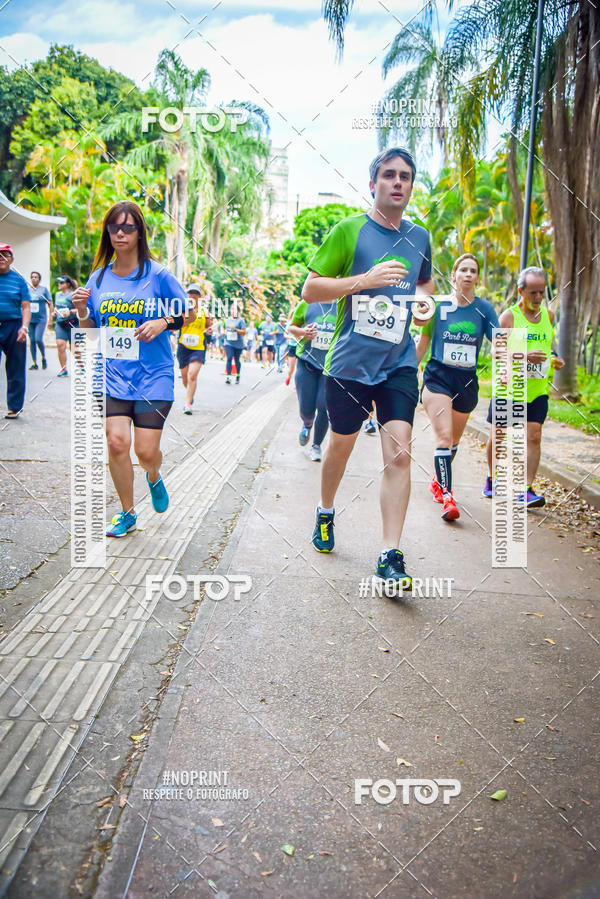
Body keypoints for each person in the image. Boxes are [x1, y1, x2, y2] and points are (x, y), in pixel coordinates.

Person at [302, 147, 434, 590]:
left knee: (399, 453)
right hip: (350, 364)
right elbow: (311, 290)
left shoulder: (421, 237)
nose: (398, 182)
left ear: (412, 187)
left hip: (397, 363)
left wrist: (422, 308)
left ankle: (389, 555)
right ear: (373, 183)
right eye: (389, 175)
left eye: (406, 177)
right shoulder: (349, 231)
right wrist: (364, 281)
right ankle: (325, 510)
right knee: (341, 445)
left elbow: (425, 288)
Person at [71, 200, 192, 538]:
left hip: (154, 375)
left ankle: (153, 475)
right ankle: (127, 512)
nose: (119, 233)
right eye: (113, 227)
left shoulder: (158, 275)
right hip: (111, 375)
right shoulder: (98, 278)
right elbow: (90, 330)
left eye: (127, 227)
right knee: (116, 443)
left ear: (140, 233)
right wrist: (82, 310)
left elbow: (191, 313)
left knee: (146, 451)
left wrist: (163, 322)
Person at [416, 253, 499, 521]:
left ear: (477, 277)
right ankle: (448, 498)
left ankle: (437, 480)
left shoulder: (484, 309)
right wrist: (402, 373)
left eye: (473, 270)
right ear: (453, 275)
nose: (468, 274)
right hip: (438, 375)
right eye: (463, 269)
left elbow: (498, 341)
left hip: (467, 380)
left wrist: (517, 356)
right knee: (443, 437)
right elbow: (423, 343)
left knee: (453, 441)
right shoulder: (437, 307)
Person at [483, 266, 564, 508]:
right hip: (509, 389)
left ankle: (526, 489)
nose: (538, 298)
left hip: (537, 390)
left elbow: (549, 346)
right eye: (533, 293)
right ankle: (492, 478)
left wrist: (555, 358)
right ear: (521, 291)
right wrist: (523, 356)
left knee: (534, 436)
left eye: (541, 293)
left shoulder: (548, 316)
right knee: (498, 435)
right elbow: (495, 351)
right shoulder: (509, 317)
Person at [289, 300, 337, 461]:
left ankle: (316, 446)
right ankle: (307, 424)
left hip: (330, 367)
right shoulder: (307, 303)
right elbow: (291, 327)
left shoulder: (343, 305)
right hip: (306, 362)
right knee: (306, 408)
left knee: (324, 406)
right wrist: (303, 332)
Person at [0, 244, 30, 419]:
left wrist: (24, 327)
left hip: (14, 326)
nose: (1, 258)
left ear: (11, 259)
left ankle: (15, 407)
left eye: (5, 255)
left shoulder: (19, 280)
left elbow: (26, 307)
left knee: (16, 368)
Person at [177, 283, 212, 414]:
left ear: (199, 296)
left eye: (195, 293)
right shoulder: (182, 309)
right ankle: (190, 395)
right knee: (185, 378)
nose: (193, 295)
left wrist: (209, 330)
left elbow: (208, 326)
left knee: (192, 375)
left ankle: (187, 403)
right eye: (190, 293)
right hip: (183, 347)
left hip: (198, 347)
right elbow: (176, 325)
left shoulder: (204, 311)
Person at [52, 275, 78, 376]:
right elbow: (56, 307)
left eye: (61, 282)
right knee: (60, 345)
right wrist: (54, 313)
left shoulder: (73, 294)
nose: (59, 284)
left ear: (67, 284)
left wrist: (70, 312)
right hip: (60, 323)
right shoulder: (57, 295)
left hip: (73, 323)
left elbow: (79, 309)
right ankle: (63, 369)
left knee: (74, 348)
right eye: (58, 282)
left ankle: (81, 365)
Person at [28, 271, 52, 370]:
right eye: (32, 277)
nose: (34, 278)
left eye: (36, 277)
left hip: (41, 319)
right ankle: (34, 363)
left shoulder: (43, 290)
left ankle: (43, 357)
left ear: (39, 279)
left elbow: (50, 303)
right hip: (30, 320)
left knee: (38, 339)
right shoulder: (28, 290)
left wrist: (51, 319)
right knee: (32, 340)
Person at [224, 302, 246, 384]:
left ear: (238, 311)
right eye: (232, 309)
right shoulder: (227, 320)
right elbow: (224, 328)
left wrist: (236, 329)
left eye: (235, 309)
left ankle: (238, 375)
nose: (233, 311)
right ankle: (228, 377)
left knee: (237, 360)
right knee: (229, 358)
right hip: (228, 343)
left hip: (238, 344)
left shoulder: (241, 321)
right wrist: (223, 332)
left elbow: (244, 332)